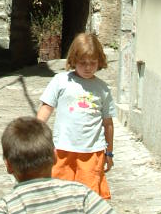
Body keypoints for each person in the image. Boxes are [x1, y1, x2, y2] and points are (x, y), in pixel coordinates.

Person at [37, 32, 115, 199]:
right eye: (82, 63)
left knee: (88, 197)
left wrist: (109, 152)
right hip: (62, 149)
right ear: (73, 60)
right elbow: (46, 108)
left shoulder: (103, 89)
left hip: (92, 152)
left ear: (99, 61)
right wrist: (34, 135)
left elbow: (108, 123)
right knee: (59, 194)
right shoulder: (60, 81)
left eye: (92, 63)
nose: (88, 67)